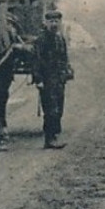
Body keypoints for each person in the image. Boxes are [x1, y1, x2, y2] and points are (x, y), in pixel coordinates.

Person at [32, 8, 73, 149]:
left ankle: (55, 134)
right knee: (50, 109)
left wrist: (67, 70)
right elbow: (36, 61)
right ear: (46, 22)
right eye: (51, 21)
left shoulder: (60, 38)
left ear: (60, 22)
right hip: (47, 79)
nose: (54, 24)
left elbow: (64, 57)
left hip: (59, 79)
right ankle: (49, 139)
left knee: (59, 108)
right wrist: (38, 80)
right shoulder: (41, 40)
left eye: (56, 21)